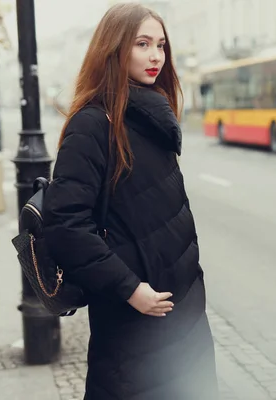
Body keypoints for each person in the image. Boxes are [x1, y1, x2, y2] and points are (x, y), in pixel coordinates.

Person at [42, 3, 218, 399]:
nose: (156, 55)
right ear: (114, 48)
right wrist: (129, 289)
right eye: (142, 44)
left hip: (183, 308)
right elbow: (66, 224)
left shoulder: (154, 117)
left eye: (160, 45)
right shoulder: (93, 123)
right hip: (134, 315)